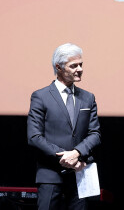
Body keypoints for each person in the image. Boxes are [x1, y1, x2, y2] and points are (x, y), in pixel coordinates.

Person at [27, 43, 101, 210]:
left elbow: (95, 133)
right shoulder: (41, 96)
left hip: (80, 175)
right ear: (58, 67)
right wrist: (64, 158)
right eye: (73, 65)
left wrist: (76, 153)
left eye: (81, 64)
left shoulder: (88, 97)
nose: (80, 69)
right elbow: (34, 137)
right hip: (50, 176)